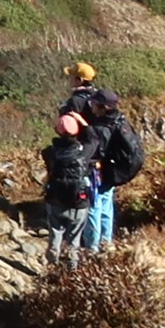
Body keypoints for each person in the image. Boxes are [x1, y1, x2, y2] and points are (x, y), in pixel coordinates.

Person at [58, 61, 142, 256]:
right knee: (106, 204)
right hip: (112, 169)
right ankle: (106, 242)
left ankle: (92, 247)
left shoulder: (98, 124)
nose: (91, 106)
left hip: (97, 169)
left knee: (94, 206)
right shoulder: (117, 119)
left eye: (95, 104)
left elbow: (94, 146)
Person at [41, 110, 100, 267]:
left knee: (55, 232)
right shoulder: (84, 153)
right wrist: (82, 121)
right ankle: (71, 270)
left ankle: (53, 263)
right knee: (74, 238)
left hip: (55, 199)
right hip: (78, 201)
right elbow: (93, 139)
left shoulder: (48, 153)